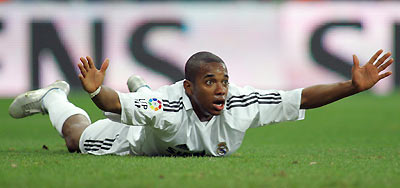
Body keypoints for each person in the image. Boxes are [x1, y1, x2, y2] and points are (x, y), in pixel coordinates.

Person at [9, 50, 393, 156]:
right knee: (78, 140)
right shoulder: (171, 106)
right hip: (136, 137)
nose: (222, 89)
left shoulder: (242, 101)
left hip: (153, 109)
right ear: (189, 88)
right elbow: (111, 102)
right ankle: (54, 97)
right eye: (210, 82)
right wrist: (94, 93)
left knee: (146, 103)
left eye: (223, 80)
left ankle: (143, 90)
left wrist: (352, 86)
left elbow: (301, 97)